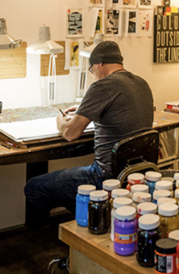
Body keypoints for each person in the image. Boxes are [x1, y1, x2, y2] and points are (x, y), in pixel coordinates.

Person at [23, 41, 154, 227]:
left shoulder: (103, 85)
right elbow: (118, 109)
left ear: (99, 64)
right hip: (136, 173)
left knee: (34, 187)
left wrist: (61, 123)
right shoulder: (141, 83)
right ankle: (95, 220)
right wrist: (86, 108)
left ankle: (87, 224)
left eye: (92, 71)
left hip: (104, 175)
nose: (94, 77)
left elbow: (70, 133)